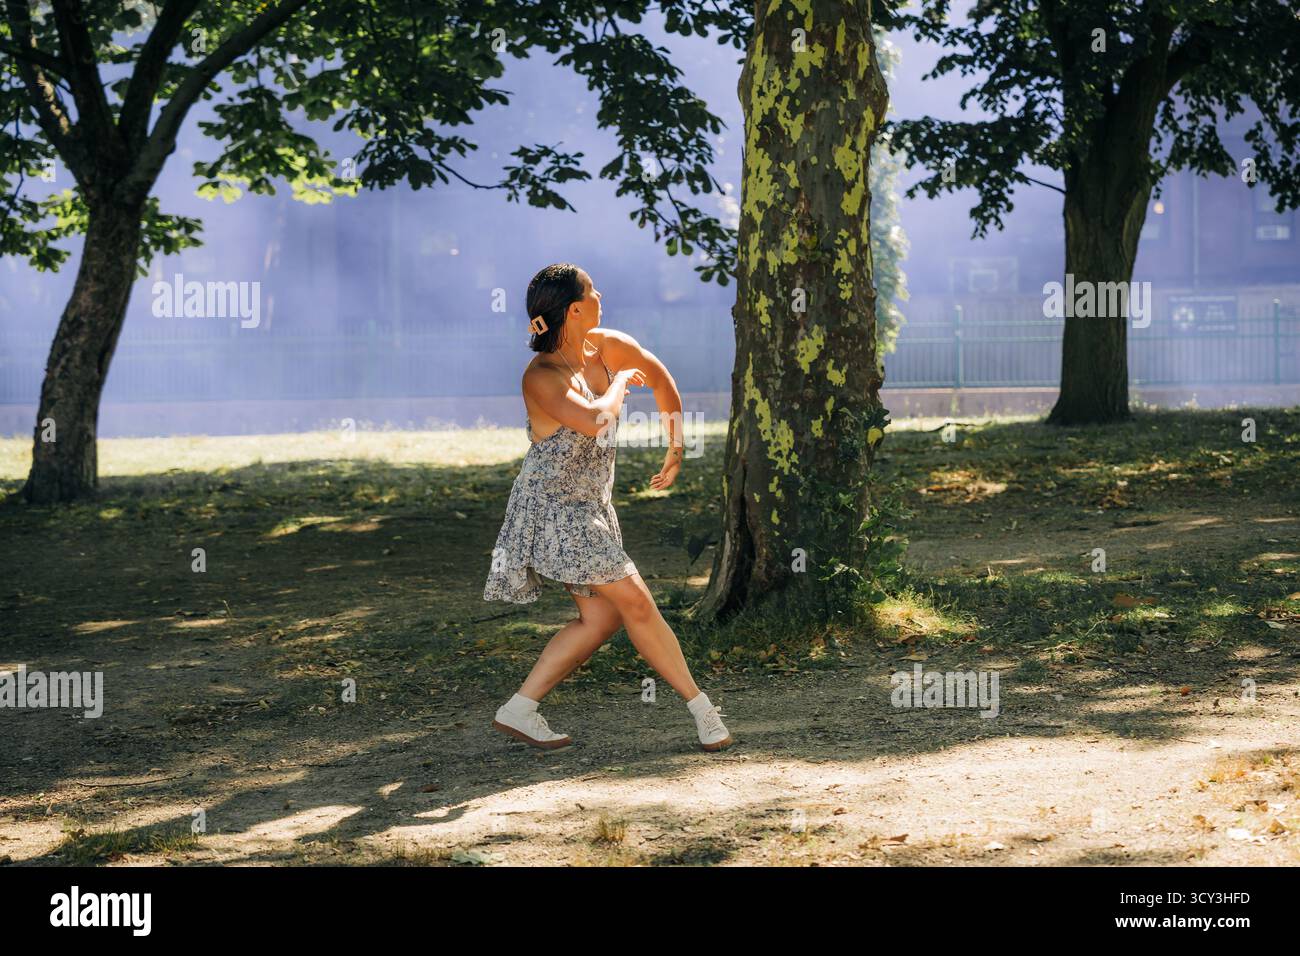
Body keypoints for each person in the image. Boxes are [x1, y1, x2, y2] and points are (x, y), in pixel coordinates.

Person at [481, 262, 732, 752]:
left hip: (591, 505)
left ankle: (520, 709)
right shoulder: (542, 377)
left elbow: (661, 381)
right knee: (635, 599)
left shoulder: (606, 346)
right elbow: (597, 420)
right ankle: (703, 710)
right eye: (593, 291)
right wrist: (618, 385)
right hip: (552, 510)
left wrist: (676, 447)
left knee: (601, 620)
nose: (602, 295)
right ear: (575, 309)